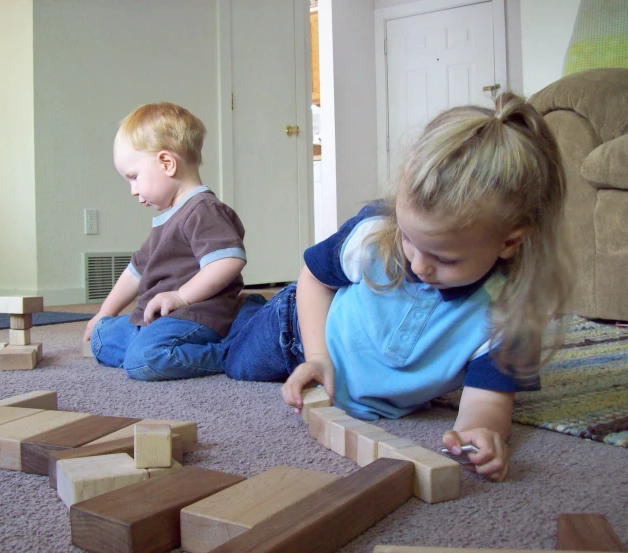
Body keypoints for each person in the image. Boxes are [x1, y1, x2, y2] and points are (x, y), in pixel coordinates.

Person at [221, 92, 573, 482]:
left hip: (346, 372)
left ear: (509, 242)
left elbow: (487, 401)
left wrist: (480, 433)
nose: (418, 264)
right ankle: (239, 306)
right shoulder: (373, 235)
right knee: (231, 359)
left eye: (445, 259)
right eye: (408, 239)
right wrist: (317, 356)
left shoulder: (511, 315)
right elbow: (315, 277)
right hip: (297, 330)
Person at [84, 102, 247, 381]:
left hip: (195, 316)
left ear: (167, 163)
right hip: (158, 319)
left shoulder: (204, 209)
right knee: (101, 337)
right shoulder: (169, 217)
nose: (133, 191)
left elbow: (228, 260)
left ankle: (231, 350)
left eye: (134, 178)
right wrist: (104, 312)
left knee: (144, 361)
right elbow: (135, 271)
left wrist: (181, 296)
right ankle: (148, 344)